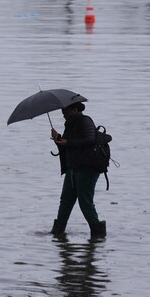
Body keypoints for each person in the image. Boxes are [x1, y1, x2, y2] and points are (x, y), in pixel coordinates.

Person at [50, 101, 106, 239]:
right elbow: (69, 144)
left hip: (88, 168)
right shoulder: (70, 123)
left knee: (85, 202)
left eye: (65, 112)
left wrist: (67, 142)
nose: (63, 115)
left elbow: (90, 139)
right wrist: (58, 138)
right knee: (65, 200)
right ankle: (58, 233)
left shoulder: (85, 120)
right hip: (73, 168)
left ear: (74, 109)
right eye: (62, 113)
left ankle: (98, 233)